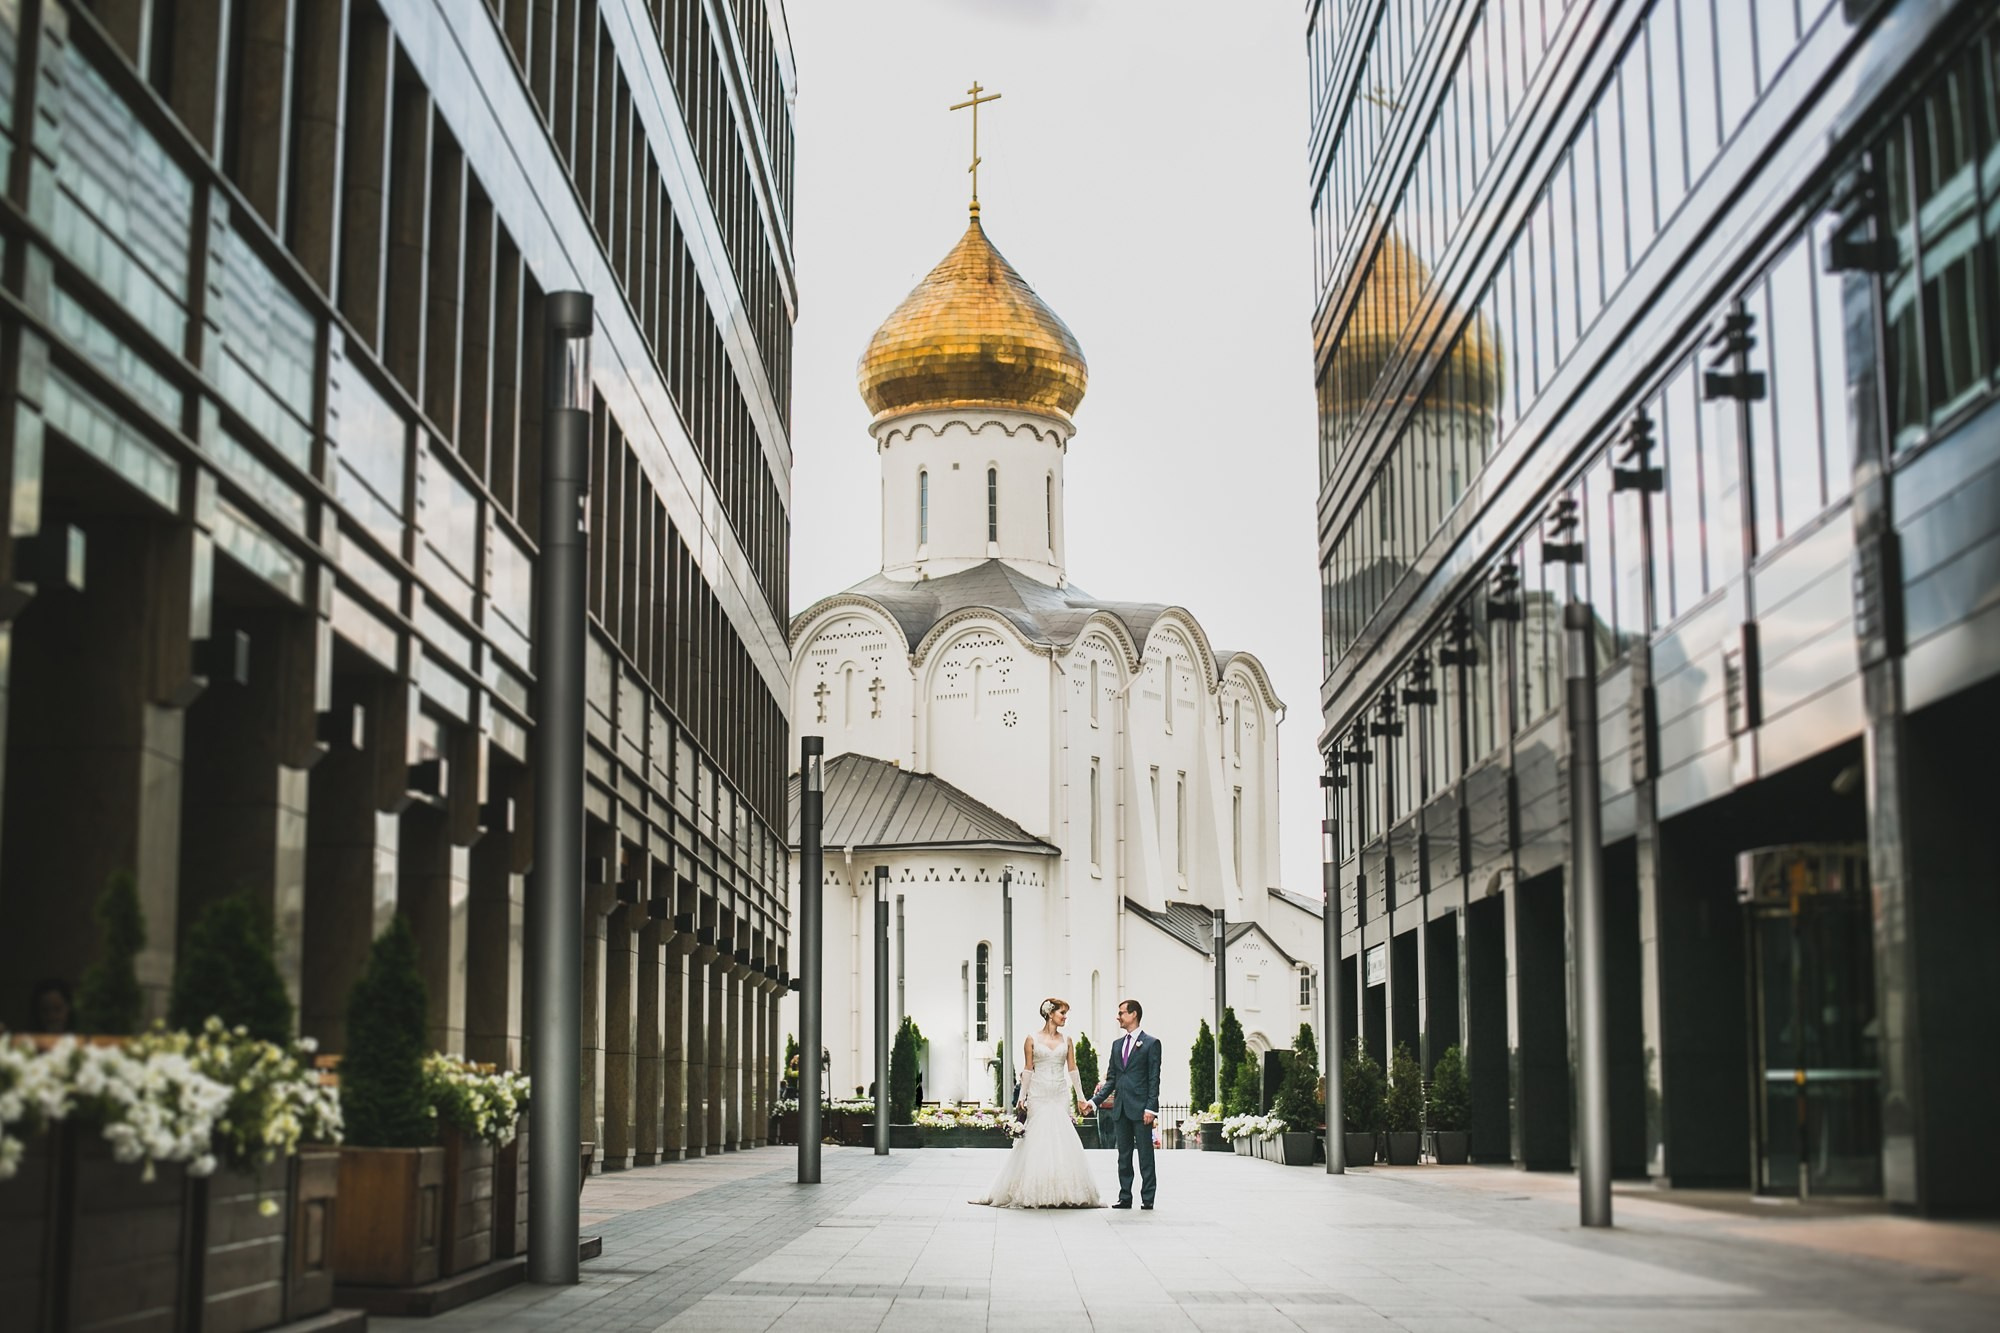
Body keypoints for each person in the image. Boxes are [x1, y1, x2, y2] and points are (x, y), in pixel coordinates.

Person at [972, 997, 1102, 1208]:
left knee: (1061, 1138)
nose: (1065, 1017)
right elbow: (1028, 1069)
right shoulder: (1031, 1039)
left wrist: (1080, 1097)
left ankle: (1065, 1189)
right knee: (1037, 1140)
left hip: (1058, 1094)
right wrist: (1022, 1096)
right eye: (1062, 1013)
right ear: (1050, 1014)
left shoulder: (1067, 1040)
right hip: (1039, 1094)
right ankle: (1034, 1188)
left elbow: (1072, 1068)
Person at [1091, 998, 1162, 1210]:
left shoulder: (1151, 1043)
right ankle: (1125, 1196)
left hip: (1142, 1110)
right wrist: (1094, 1102)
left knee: (1146, 1157)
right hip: (1120, 1109)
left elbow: (1154, 1078)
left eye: (1121, 1012)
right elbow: (1111, 1079)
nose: (1118, 1016)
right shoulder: (1117, 1045)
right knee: (1123, 1156)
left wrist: (1151, 1108)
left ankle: (1148, 1198)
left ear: (1134, 1014)